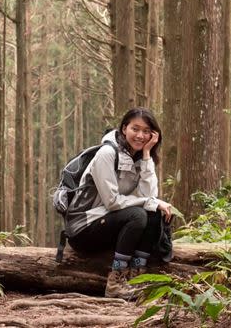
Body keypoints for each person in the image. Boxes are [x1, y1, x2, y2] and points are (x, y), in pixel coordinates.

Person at [67, 107, 173, 299]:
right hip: (83, 228)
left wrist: (148, 155)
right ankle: (115, 282)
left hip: (105, 222)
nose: (140, 135)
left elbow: (150, 195)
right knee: (139, 213)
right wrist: (151, 202)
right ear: (124, 129)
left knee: (152, 213)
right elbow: (112, 202)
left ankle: (137, 277)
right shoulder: (107, 153)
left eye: (146, 131)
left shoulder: (138, 158)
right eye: (135, 129)